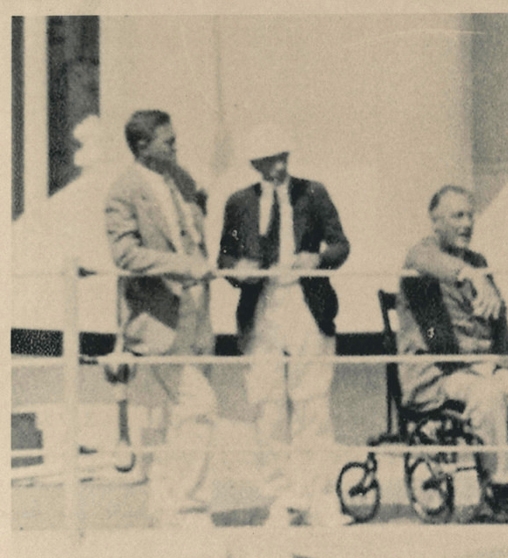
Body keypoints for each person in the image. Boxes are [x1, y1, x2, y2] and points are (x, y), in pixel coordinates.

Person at [397, 185, 508, 521]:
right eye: (456, 215)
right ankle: (500, 484)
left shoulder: (478, 261)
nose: (467, 223)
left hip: (485, 369)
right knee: (488, 393)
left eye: (469, 215)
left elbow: (500, 320)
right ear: (435, 221)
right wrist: (474, 277)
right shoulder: (421, 255)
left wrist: (499, 359)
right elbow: (430, 264)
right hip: (439, 375)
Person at [218, 123, 351, 527]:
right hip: (263, 307)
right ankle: (280, 497)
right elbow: (224, 257)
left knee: (312, 404)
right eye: (269, 160)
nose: (278, 167)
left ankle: (319, 497)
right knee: (268, 406)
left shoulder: (313, 192)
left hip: (306, 303)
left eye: (283, 158)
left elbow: (341, 244)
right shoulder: (239, 202)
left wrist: (320, 258)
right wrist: (237, 270)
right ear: (255, 163)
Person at [105, 110, 217, 527]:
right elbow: (125, 254)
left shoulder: (182, 180)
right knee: (199, 405)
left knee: (179, 418)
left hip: (196, 315)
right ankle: (189, 509)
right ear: (142, 146)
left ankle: (164, 507)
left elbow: (197, 229)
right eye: (168, 141)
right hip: (158, 322)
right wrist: (183, 265)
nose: (176, 147)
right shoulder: (123, 192)